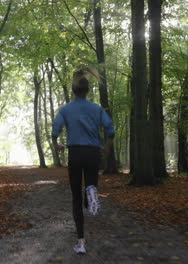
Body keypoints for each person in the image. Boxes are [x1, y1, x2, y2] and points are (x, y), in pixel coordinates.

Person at [51, 68, 115, 254]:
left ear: (73, 90)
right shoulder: (97, 109)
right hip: (93, 154)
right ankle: (91, 195)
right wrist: (107, 146)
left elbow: (55, 130)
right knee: (90, 186)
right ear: (87, 90)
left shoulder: (66, 109)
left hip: (75, 154)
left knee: (75, 197)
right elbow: (110, 130)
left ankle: (80, 242)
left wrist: (57, 144)